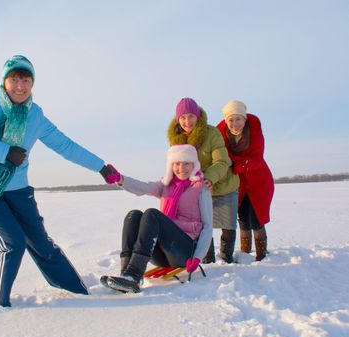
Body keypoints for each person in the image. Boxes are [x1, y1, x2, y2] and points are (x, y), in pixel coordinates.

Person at [0, 55, 119, 307]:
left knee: (41, 242)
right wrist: (5, 152)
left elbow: (65, 145)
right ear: (4, 81)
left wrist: (101, 167)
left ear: (32, 84)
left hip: (17, 187)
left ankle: (79, 293)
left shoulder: (35, 115)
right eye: (14, 79)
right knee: (12, 244)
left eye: (26, 80)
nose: (20, 86)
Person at [100, 144, 213, 293]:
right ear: (171, 165)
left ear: (194, 164)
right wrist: (121, 179)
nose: (181, 168)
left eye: (186, 163)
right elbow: (144, 187)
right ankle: (126, 275)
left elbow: (207, 226)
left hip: (185, 251)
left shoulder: (201, 188)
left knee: (152, 214)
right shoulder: (166, 185)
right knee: (133, 215)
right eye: (177, 163)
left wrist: (198, 257)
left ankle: (134, 275)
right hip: (163, 253)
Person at [167, 98, 239, 263]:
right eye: (183, 117)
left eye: (191, 116)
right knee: (203, 224)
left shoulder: (211, 133)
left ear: (198, 116)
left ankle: (227, 258)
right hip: (198, 189)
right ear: (178, 119)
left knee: (227, 224)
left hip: (222, 183)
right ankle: (208, 259)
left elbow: (221, 161)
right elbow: (176, 165)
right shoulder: (176, 139)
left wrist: (209, 178)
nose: (187, 121)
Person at [217, 100, 274, 261]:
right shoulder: (221, 135)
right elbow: (222, 157)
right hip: (238, 183)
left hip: (259, 181)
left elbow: (256, 159)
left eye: (238, 119)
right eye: (231, 120)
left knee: (257, 219)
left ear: (244, 118)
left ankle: (261, 257)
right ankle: (245, 255)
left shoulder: (254, 130)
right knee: (242, 219)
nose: (235, 124)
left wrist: (234, 164)